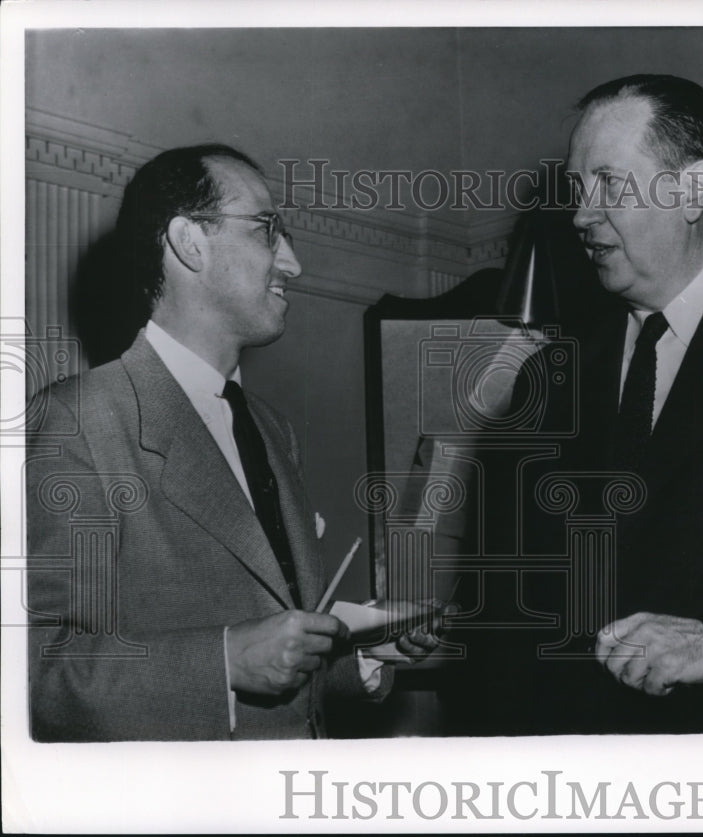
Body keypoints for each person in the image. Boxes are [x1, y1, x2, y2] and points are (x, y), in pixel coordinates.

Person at [443, 74, 703, 734]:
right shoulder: (541, 383)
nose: (582, 216)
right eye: (577, 191)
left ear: (693, 189)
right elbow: (504, 627)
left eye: (609, 185)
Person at [26, 144, 438, 741]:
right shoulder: (78, 421)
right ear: (189, 242)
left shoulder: (273, 431)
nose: (293, 264)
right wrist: (221, 662)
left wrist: (365, 652)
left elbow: (279, 660)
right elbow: (31, 673)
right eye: (268, 230)